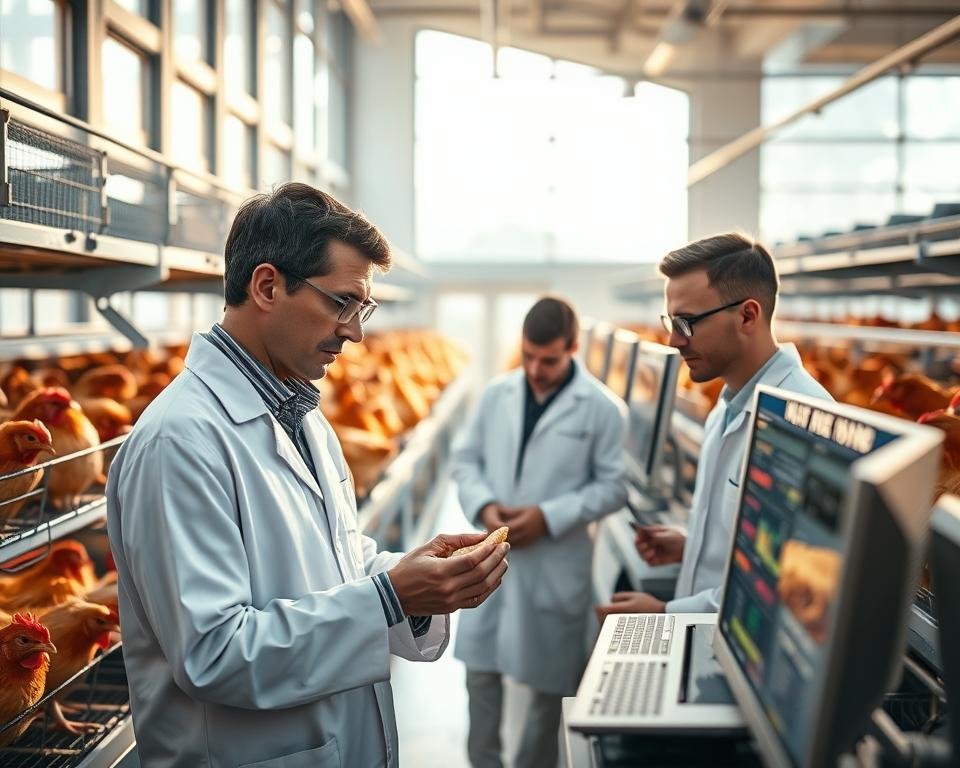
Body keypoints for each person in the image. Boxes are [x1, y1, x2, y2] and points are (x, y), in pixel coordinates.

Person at [106, 183, 509, 768]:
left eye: (362, 309)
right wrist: (389, 597)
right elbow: (213, 654)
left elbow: (335, 563)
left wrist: (411, 578)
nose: (356, 331)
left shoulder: (302, 414)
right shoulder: (181, 440)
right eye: (342, 302)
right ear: (267, 286)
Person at [596, 233, 832, 619]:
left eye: (686, 322)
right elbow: (747, 544)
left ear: (747, 316)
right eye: (671, 322)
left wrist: (664, 613)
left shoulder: (802, 424)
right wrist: (693, 545)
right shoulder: (725, 407)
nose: (673, 340)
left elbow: (779, 588)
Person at [453, 296, 628, 768]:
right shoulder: (497, 395)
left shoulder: (603, 410)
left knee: (544, 697)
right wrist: (485, 505)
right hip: (488, 561)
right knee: (481, 683)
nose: (534, 368)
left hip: (554, 566)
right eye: (528, 355)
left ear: (573, 348)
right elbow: (465, 460)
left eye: (547, 359)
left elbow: (613, 488)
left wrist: (549, 517)